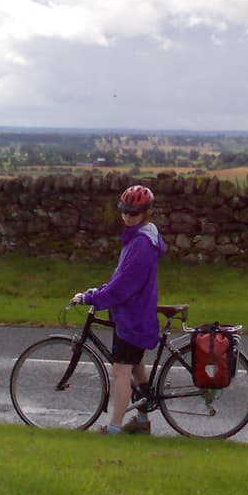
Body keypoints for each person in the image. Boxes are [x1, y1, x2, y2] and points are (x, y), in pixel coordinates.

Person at [72, 184, 167, 434]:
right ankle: (142, 421)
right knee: (136, 366)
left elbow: (123, 286)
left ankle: (114, 429)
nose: (127, 216)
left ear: (146, 213)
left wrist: (92, 298)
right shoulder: (138, 238)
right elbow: (120, 278)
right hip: (134, 314)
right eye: (124, 211)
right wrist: (99, 291)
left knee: (121, 370)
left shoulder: (141, 244)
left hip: (133, 316)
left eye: (133, 213)